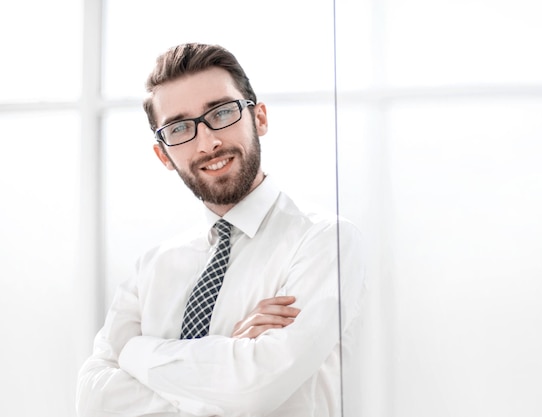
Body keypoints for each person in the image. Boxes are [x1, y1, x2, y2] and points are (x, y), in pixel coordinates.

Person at [76, 43, 367, 417]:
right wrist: (225, 354)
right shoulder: (152, 268)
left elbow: (255, 391)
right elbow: (93, 399)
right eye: (179, 128)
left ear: (259, 118)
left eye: (222, 112)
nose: (208, 141)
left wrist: (134, 352)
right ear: (163, 155)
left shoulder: (326, 242)